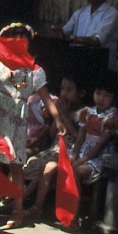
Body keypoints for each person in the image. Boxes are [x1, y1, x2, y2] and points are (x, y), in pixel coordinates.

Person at [0, 23, 65, 228]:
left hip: (17, 123)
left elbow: (46, 98)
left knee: (16, 167)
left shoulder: (34, 71)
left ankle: (17, 211)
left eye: (22, 41)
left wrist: (58, 119)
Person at [23, 74, 87, 219]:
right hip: (53, 148)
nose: (64, 93)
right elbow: (53, 134)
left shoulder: (84, 112)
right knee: (30, 164)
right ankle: (14, 199)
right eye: (63, 89)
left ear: (81, 93)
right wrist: (55, 117)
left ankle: (34, 205)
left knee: (48, 168)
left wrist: (63, 115)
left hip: (70, 152)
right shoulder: (62, 109)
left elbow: (78, 137)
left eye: (69, 90)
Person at [68, 70, 118, 229]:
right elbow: (80, 137)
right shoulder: (88, 113)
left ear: (113, 97)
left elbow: (100, 145)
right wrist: (74, 155)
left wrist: (82, 161)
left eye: (106, 95)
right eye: (98, 93)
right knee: (65, 167)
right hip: (84, 153)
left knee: (75, 172)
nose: (101, 98)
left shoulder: (113, 119)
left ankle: (75, 215)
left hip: (99, 157)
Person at [52, 0, 118, 71]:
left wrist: (71, 38)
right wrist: (58, 32)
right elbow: (64, 31)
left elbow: (97, 40)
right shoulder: (79, 13)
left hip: (102, 69)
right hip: (79, 64)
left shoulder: (112, 14)